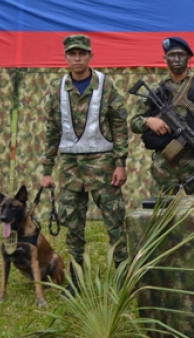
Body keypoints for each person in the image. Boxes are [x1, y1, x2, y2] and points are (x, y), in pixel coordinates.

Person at [40, 34, 129, 289]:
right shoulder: (57, 89)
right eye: (72, 54)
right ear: (66, 57)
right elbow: (51, 132)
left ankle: (123, 275)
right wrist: (47, 170)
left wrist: (120, 163)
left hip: (103, 168)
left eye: (82, 53)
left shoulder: (105, 84)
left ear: (90, 56)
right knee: (74, 226)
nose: (77, 58)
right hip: (70, 171)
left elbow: (119, 124)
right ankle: (76, 278)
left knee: (114, 222)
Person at [131, 37, 194, 195]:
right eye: (172, 55)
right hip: (165, 163)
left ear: (189, 58)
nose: (176, 59)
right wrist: (149, 121)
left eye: (181, 55)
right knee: (161, 210)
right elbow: (134, 122)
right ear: (165, 58)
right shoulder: (156, 90)